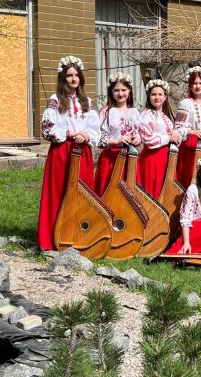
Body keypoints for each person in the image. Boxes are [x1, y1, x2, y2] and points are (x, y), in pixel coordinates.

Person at [37, 55, 100, 251]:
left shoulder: (87, 101)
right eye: (69, 75)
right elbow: (47, 128)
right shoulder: (55, 100)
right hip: (62, 151)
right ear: (63, 78)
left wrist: (86, 135)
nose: (73, 79)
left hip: (82, 152)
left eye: (76, 75)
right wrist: (69, 133)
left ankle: (80, 237)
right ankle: (53, 238)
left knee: (83, 192)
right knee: (59, 191)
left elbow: (95, 128)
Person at [94, 72, 141, 196]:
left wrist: (138, 139)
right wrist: (117, 141)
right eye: (116, 90)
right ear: (111, 91)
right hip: (111, 159)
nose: (120, 94)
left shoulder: (135, 112)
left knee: (130, 196)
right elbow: (98, 139)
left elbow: (139, 132)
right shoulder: (106, 112)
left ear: (129, 90)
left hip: (130, 159)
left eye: (123, 90)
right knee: (111, 195)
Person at [137, 79, 181, 199]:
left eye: (160, 94)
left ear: (165, 97)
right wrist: (169, 137)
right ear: (149, 96)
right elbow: (148, 140)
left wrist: (176, 136)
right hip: (152, 158)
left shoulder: (165, 115)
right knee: (153, 191)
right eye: (153, 94)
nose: (157, 97)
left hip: (166, 157)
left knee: (165, 191)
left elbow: (172, 135)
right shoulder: (147, 114)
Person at [175, 66, 201, 187]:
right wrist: (192, 132)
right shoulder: (186, 103)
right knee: (193, 177)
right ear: (190, 85)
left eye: (200, 83)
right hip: (191, 145)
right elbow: (178, 128)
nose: (198, 86)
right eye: (195, 83)